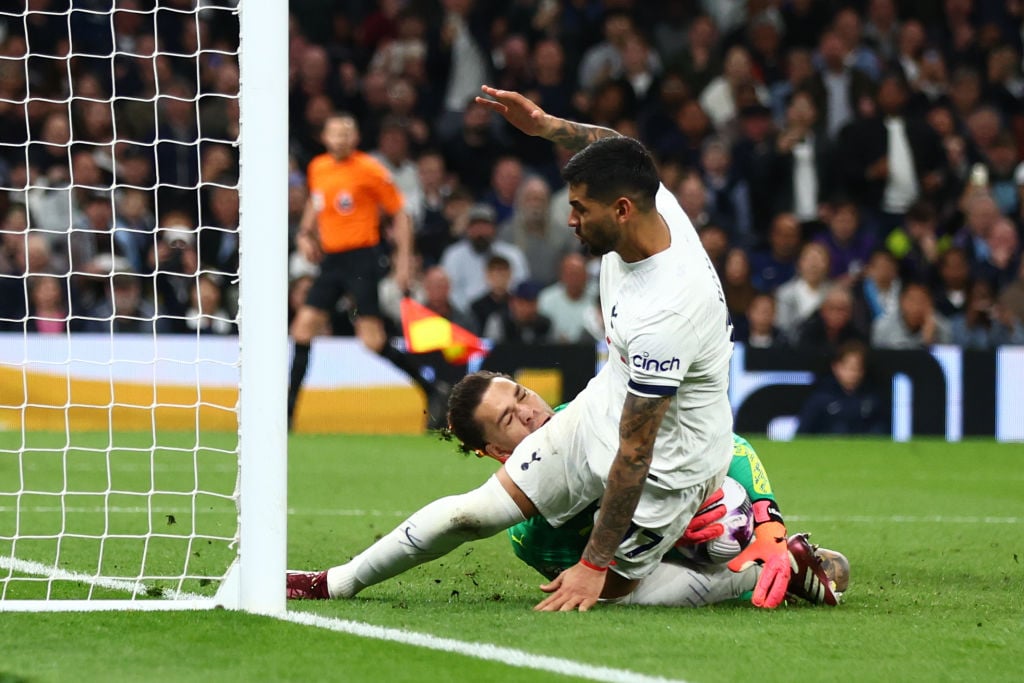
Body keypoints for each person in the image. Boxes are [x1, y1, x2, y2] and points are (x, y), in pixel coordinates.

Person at [288, 86, 787, 612]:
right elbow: (618, 144)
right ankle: (334, 582)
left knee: (614, 594)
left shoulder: (667, 310)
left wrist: (594, 567)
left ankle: (750, 573)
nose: (570, 220)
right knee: (473, 513)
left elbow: (635, 452)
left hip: (671, 464)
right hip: (601, 408)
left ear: (620, 210)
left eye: (579, 209)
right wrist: (548, 125)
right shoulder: (648, 199)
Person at [287, 113, 447, 430]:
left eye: (347, 132)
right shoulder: (318, 167)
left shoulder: (369, 170)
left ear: (356, 138)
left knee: (372, 340)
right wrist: (305, 234)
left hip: (362, 258)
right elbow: (316, 204)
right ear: (325, 137)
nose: (341, 138)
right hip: (332, 260)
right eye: (335, 132)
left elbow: (400, 214)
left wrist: (403, 264)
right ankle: (287, 413)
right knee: (302, 330)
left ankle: (433, 390)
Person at [797, 341, 888, 435]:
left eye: (857, 369)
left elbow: (883, 431)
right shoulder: (820, 400)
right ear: (836, 367)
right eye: (848, 368)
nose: (852, 374)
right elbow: (802, 434)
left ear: (863, 371)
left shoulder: (873, 400)